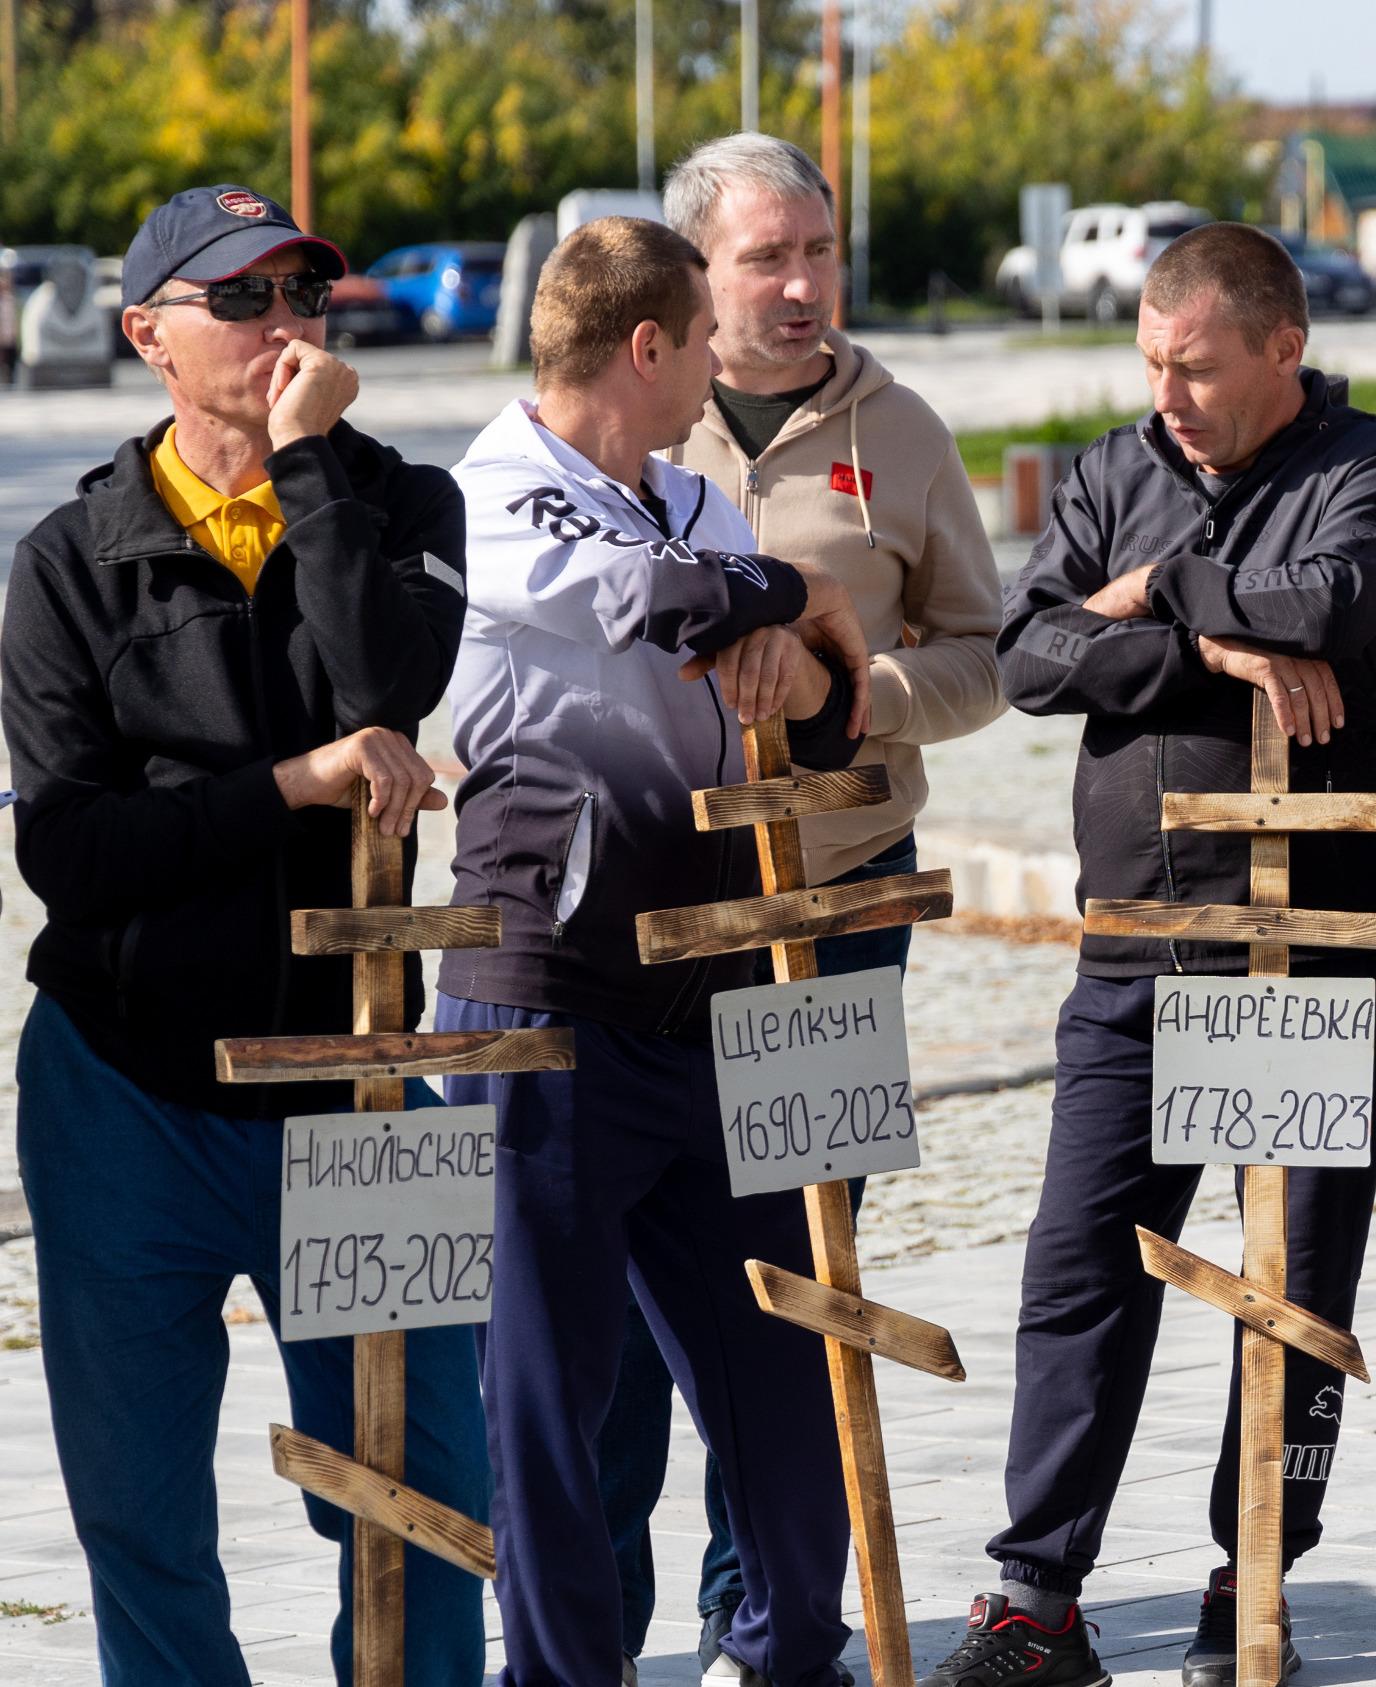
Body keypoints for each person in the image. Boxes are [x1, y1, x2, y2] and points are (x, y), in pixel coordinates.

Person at [931, 222, 1376, 1687]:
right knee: (1078, 1261)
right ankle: (1039, 1594)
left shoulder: (1374, 465)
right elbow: (1028, 660)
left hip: (1302, 945)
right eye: (1153, 363)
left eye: (1200, 367)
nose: (1172, 396)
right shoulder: (1108, 469)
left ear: (1284, 350)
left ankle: (1251, 1579)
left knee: (1289, 1278)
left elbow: (1333, 614)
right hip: (1136, 943)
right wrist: (1209, 642)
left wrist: (1149, 596)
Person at [1, 183, 485, 1687]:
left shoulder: (402, 504)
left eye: (305, 297)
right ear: (147, 334)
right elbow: (70, 856)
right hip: (124, 1090)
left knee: (423, 1500)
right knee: (141, 1516)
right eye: (244, 301)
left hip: (359, 1088)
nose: (284, 326)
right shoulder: (67, 565)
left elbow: (385, 689)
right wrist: (286, 788)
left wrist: (311, 468)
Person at [587, 130, 1009, 1677]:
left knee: (798, 1255)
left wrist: (863, 691)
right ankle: (596, 1611)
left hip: (839, 910)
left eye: (818, 253)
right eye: (767, 258)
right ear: (693, 278)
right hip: (651, 928)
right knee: (630, 1286)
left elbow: (991, 651)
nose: (802, 284)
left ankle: (759, 1600)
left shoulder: (900, 430)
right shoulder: (626, 419)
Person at [440, 214, 877, 1687]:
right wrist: (801, 596)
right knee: (547, 1401)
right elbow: (661, 601)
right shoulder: (491, 492)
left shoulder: (695, 488)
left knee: (784, 1361)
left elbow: (823, 714)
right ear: (647, 348)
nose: (716, 367)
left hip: (729, 995)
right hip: (542, 1005)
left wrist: (810, 636)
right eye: (702, 341)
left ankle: (788, 1655)